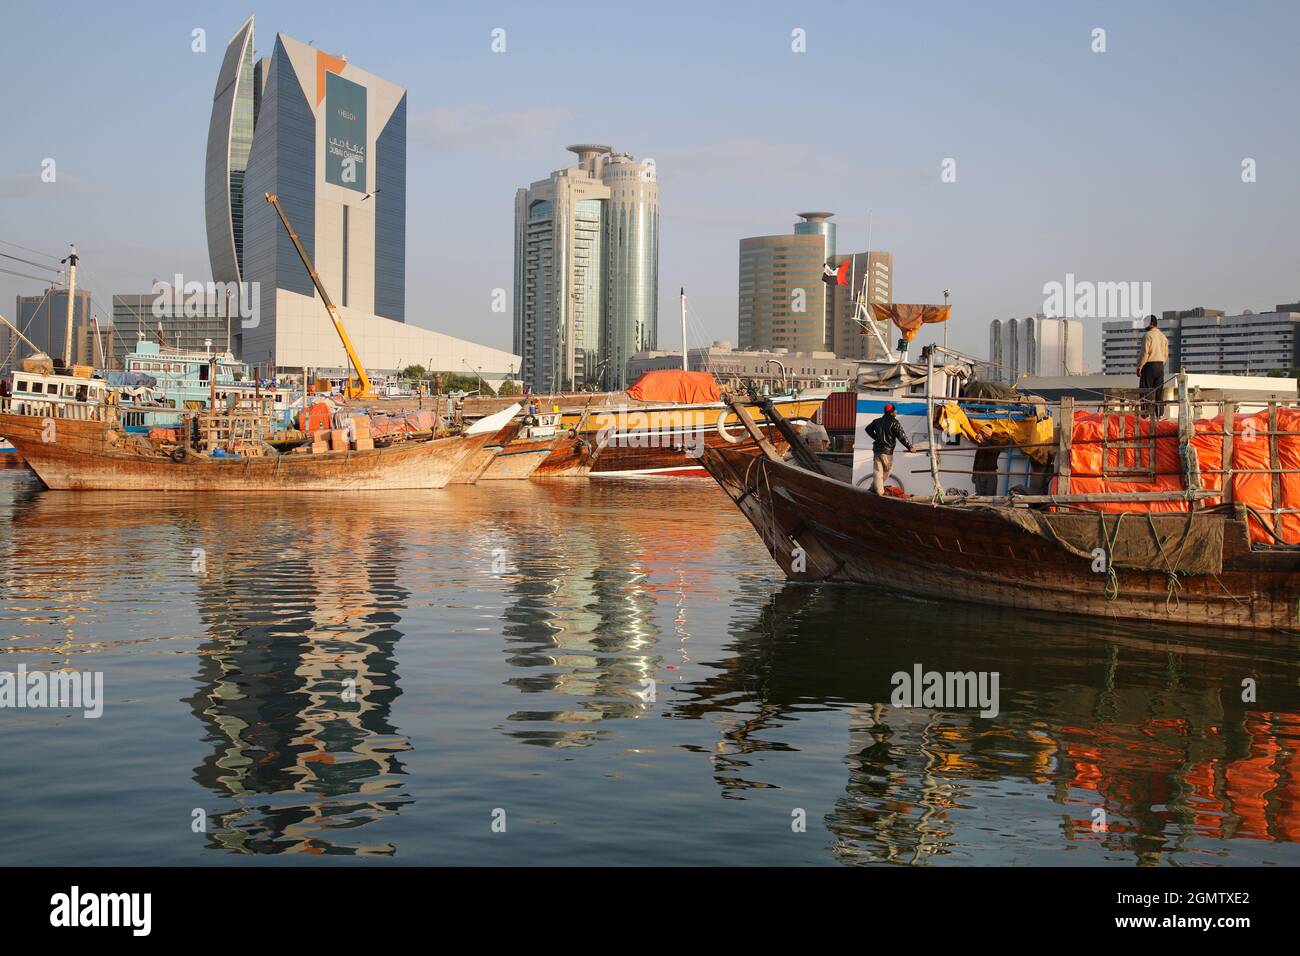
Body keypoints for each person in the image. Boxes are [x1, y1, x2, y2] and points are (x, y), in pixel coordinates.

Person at [864, 403, 915, 494]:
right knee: (887, 471)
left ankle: (873, 488)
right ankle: (879, 491)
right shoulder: (894, 423)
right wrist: (910, 447)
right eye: (895, 410)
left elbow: (868, 429)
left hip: (877, 450)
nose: (896, 412)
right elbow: (902, 436)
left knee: (877, 471)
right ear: (891, 413)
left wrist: (876, 437)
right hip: (887, 452)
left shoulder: (877, 421)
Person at [1137, 314, 1168, 413]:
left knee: (1145, 392)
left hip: (1149, 365)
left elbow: (1144, 353)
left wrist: (1139, 366)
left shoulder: (1148, 335)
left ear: (1151, 323)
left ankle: (1145, 416)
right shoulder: (1163, 337)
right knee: (1159, 392)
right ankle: (1160, 415)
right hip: (1160, 366)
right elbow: (1166, 354)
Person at [972, 424, 1007, 497]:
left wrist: (982, 441)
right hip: (979, 473)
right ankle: (979, 508)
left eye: (982, 432)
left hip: (990, 472)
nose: (981, 434)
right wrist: (974, 473)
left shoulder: (995, 443)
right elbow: (977, 459)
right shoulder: (982, 444)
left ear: (987, 433)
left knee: (990, 495)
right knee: (979, 495)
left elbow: (991, 450)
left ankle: (989, 508)